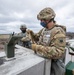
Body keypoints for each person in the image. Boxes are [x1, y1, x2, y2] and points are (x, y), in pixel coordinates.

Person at [27, 7, 66, 75]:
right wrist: (32, 34)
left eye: (42, 20)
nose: (41, 22)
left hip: (53, 66)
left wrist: (37, 48)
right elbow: (37, 37)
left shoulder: (58, 31)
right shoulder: (43, 30)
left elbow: (58, 52)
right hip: (42, 61)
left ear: (48, 19)